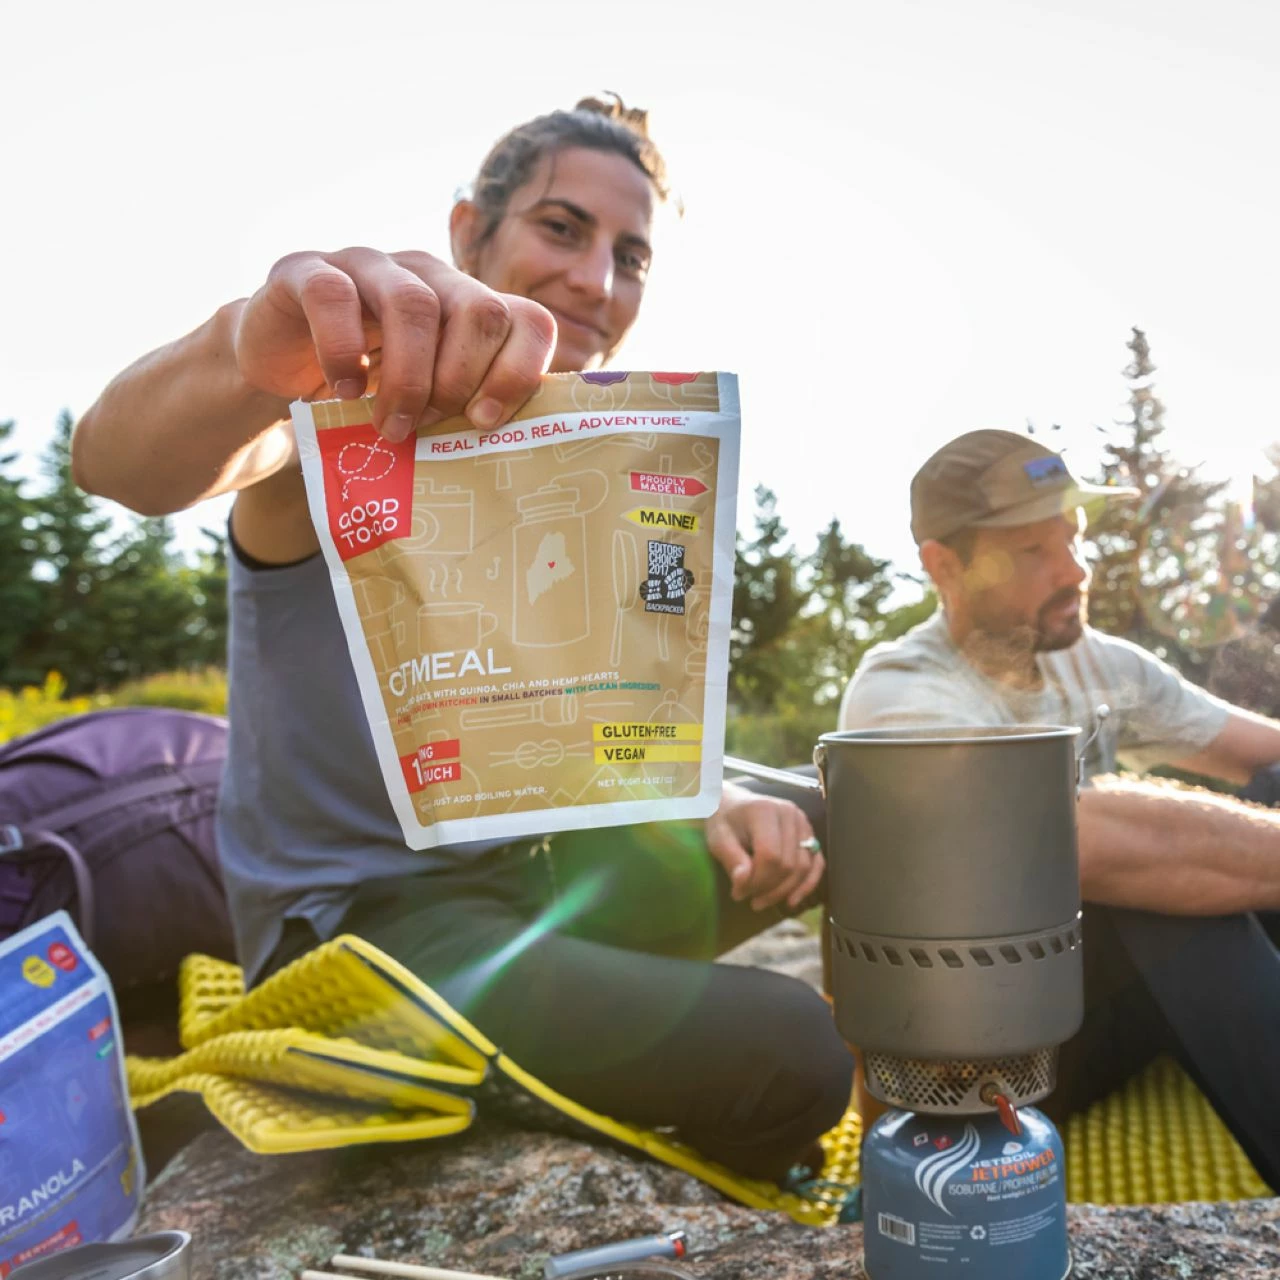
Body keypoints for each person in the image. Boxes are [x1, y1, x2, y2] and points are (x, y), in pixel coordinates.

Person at [72, 96, 852, 1180]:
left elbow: (586, 728)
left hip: (537, 881)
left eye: (631, 256)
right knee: (796, 1051)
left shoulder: (589, 465)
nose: (597, 280)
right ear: (466, 231)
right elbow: (119, 461)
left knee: (835, 815)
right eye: (561, 228)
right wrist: (253, 352)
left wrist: (707, 792)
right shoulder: (342, 417)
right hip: (367, 934)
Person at [840, 428, 1280, 1189]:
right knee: (1154, 891)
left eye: (1072, 539)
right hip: (974, 1066)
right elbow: (1067, 842)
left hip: (1085, 1010)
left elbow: (1259, 748)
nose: (1074, 569)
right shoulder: (898, 693)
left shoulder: (1090, 656)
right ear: (945, 566)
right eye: (1032, 551)